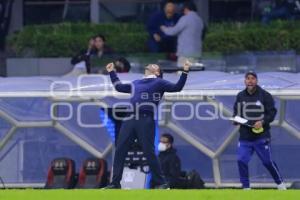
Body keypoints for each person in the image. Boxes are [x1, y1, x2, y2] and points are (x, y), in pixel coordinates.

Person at [104, 60, 191, 189]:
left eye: (155, 65)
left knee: (149, 152)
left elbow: (177, 87)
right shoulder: (136, 82)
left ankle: (161, 183)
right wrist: (112, 72)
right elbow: (119, 87)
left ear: (157, 72)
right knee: (120, 150)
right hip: (129, 118)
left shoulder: (159, 82)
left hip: (145, 118)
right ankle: (115, 183)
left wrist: (185, 71)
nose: (151, 64)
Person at [233, 71, 286, 190]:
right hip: (245, 137)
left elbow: (272, 113)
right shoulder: (240, 95)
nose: (250, 81)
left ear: (256, 81)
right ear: (245, 81)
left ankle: (281, 185)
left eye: (252, 78)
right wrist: (235, 119)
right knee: (241, 160)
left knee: (267, 162)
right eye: (248, 78)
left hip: (261, 136)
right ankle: (246, 188)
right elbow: (236, 112)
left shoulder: (265, 95)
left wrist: (261, 122)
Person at [160, 1, 203, 67]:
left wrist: (164, 28)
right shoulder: (199, 20)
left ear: (186, 9)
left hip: (185, 54)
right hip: (197, 53)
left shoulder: (185, 18)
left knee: (183, 74)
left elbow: (173, 31)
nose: (183, 12)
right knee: (195, 74)